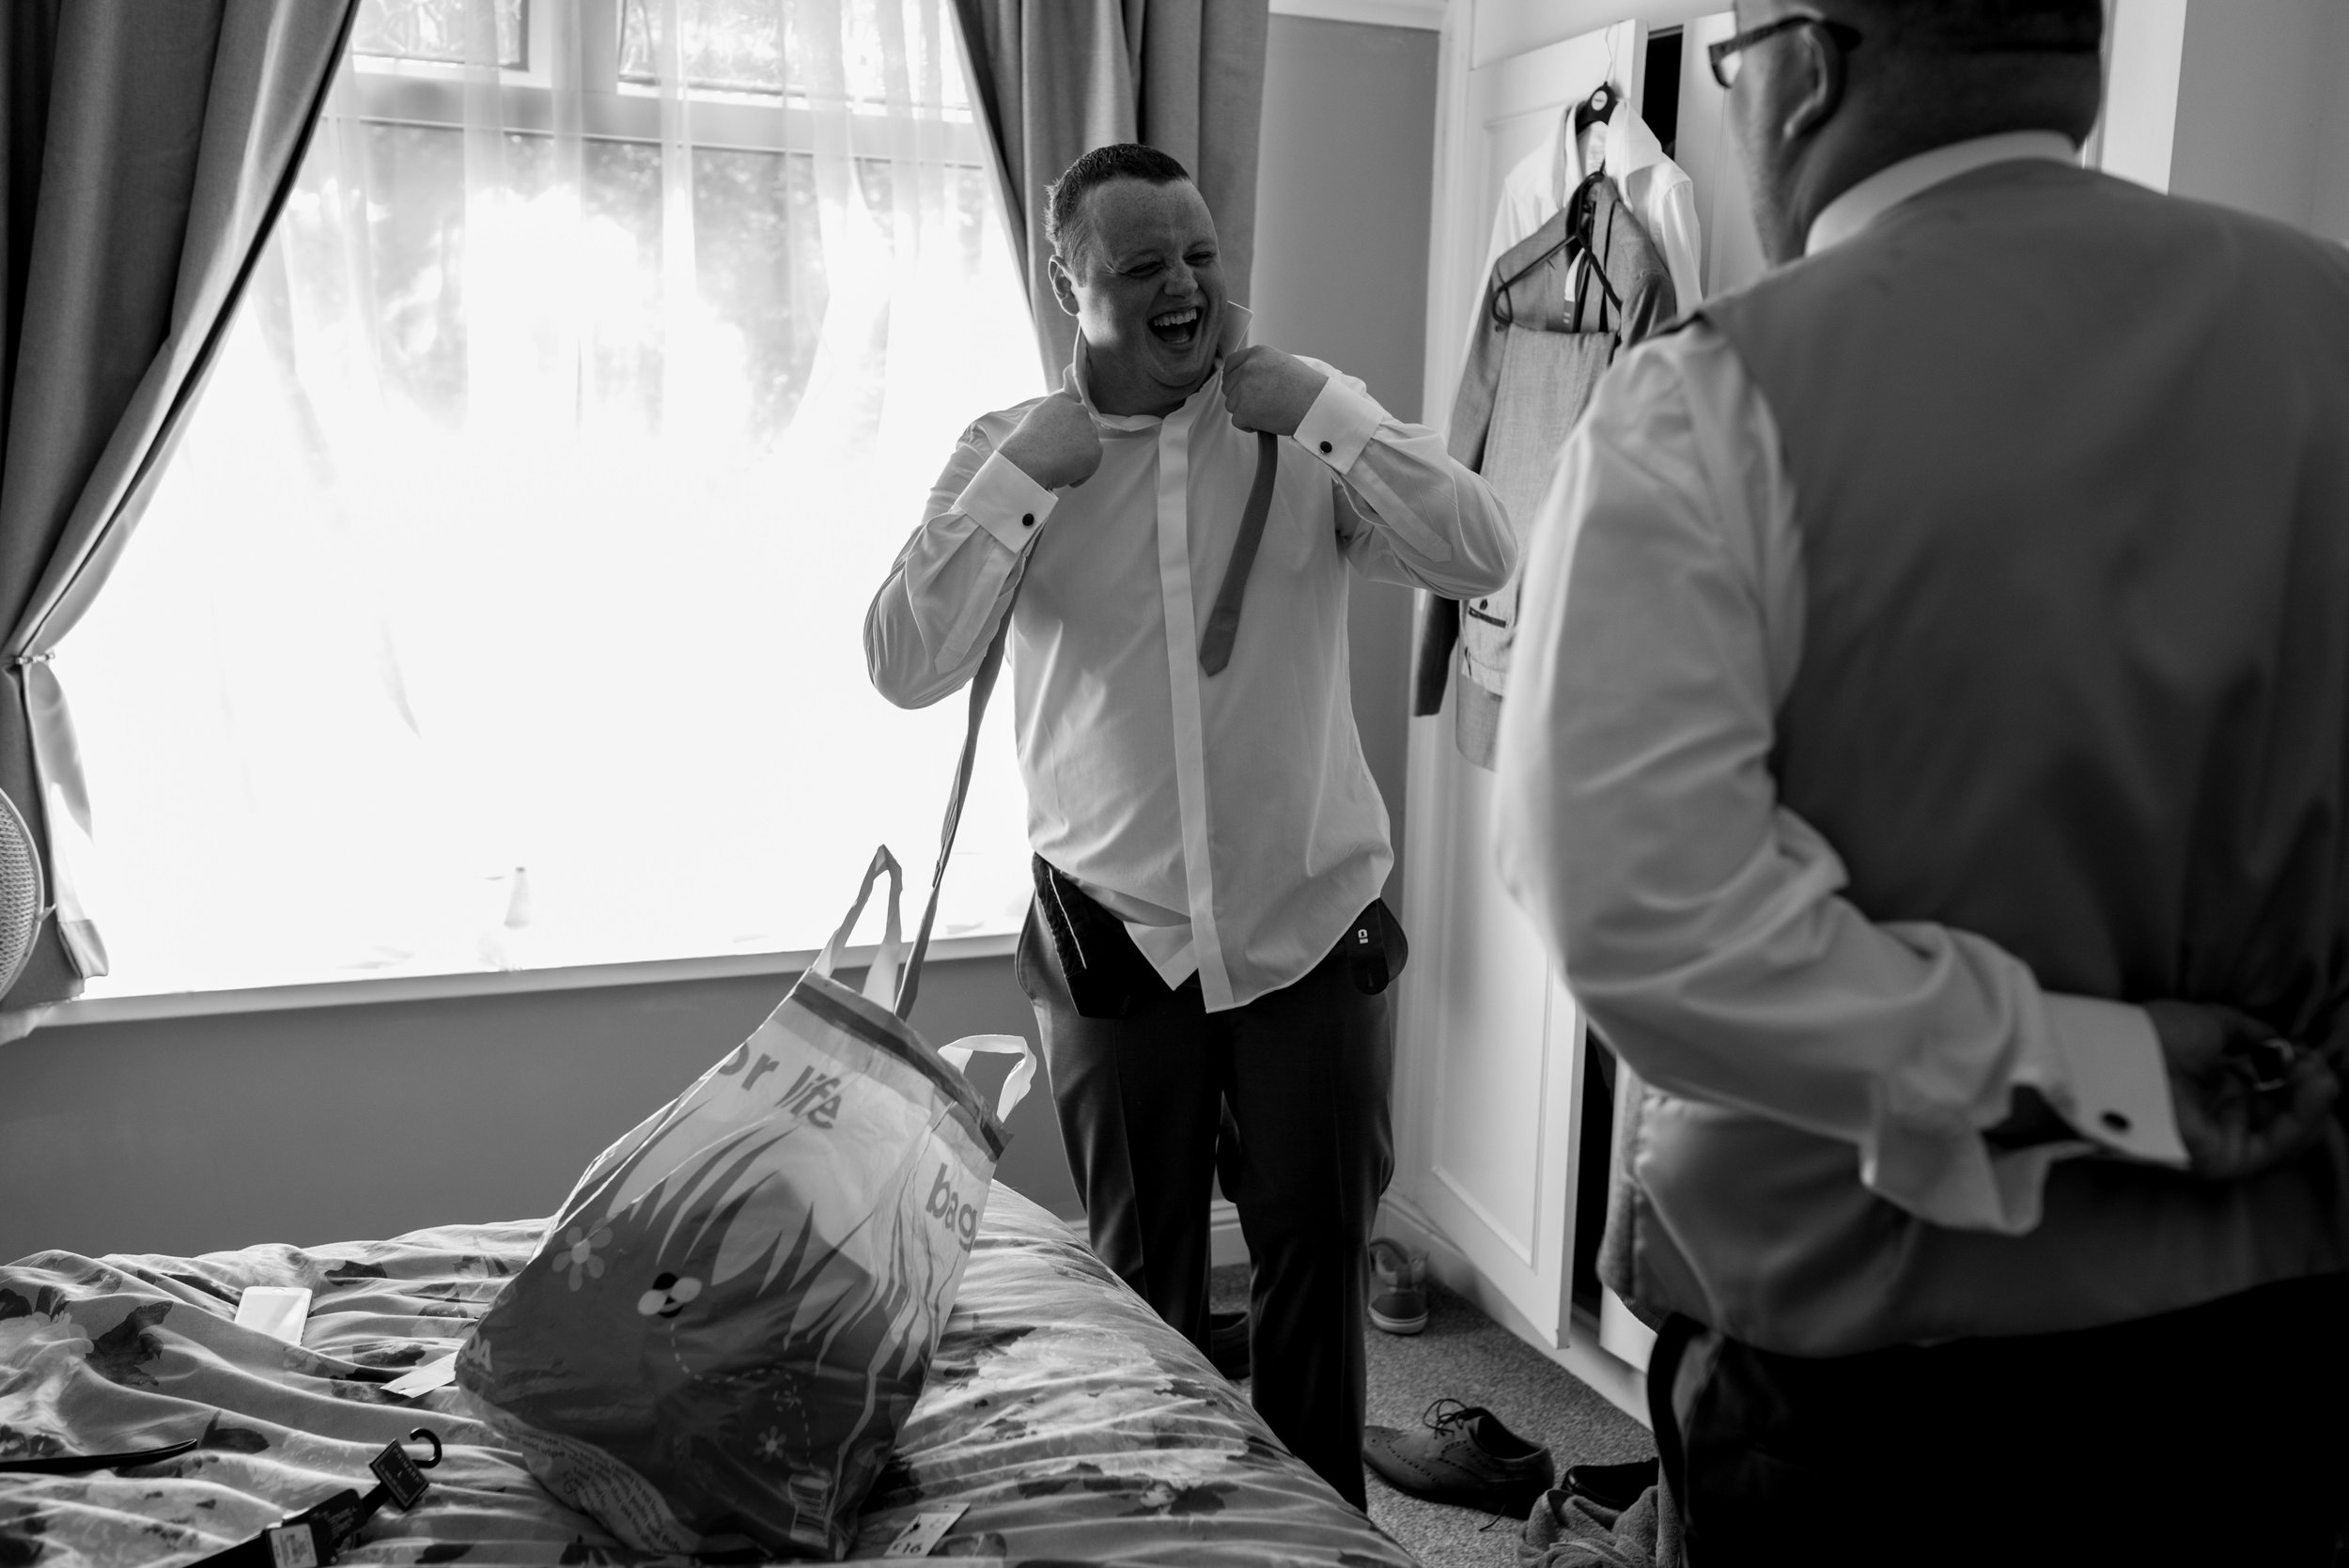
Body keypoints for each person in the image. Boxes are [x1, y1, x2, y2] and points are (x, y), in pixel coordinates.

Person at [1491, 2, 2349, 1562]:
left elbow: (1639, 917)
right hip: (2287, 1344)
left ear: (1807, 67)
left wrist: (2081, 1060)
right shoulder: (2330, 321)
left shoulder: (1708, 402)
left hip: (1876, 1400)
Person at [865, 143, 1514, 1507]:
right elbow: (903, 662)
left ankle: (1322, 1534)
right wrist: (1019, 486)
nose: (1187, 288)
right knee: (1140, 1291)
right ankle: (1159, 1533)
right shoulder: (1007, 454)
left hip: (1311, 927)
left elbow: (1479, 551)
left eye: (1203, 254)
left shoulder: (1302, 434)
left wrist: (1332, 410)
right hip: (1114, 944)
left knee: (1316, 1268)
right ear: (1069, 282)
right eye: (1143, 264)